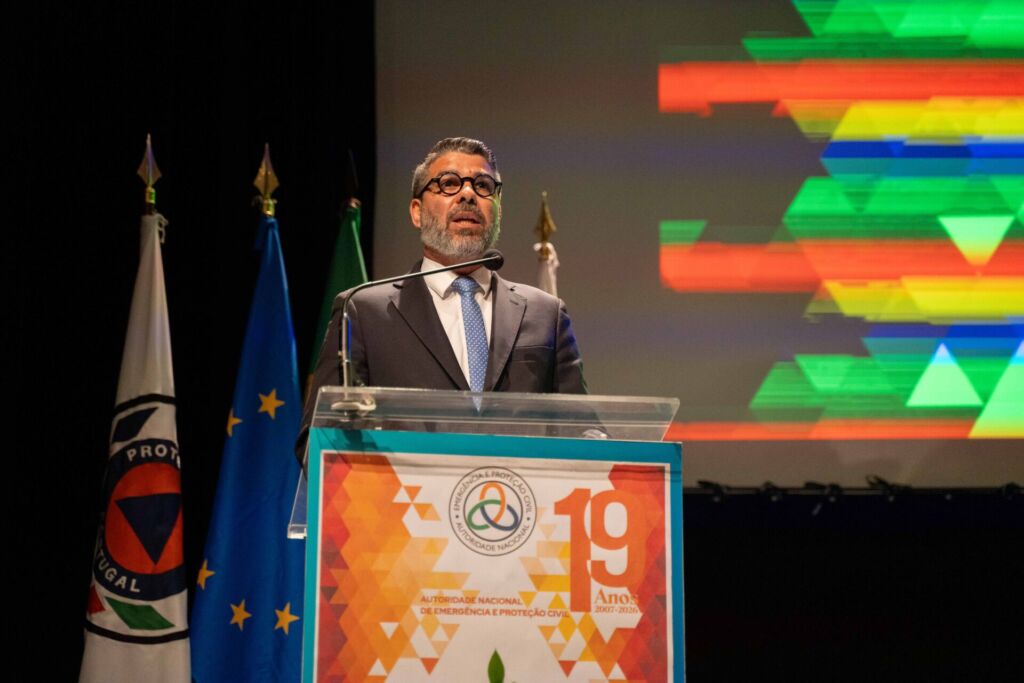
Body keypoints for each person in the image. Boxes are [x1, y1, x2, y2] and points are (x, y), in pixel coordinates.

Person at [297, 137, 588, 455]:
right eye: (449, 183)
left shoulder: (545, 314)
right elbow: (319, 441)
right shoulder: (363, 312)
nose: (468, 194)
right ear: (417, 212)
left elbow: (584, 431)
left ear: (498, 210)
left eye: (483, 186)